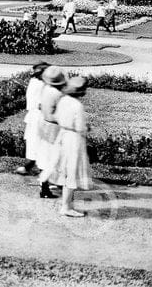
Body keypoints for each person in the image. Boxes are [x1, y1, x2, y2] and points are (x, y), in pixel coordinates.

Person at [49, 76, 93, 218]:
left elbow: (56, 117)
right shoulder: (77, 106)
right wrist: (87, 128)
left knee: (66, 171)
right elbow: (80, 127)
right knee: (72, 172)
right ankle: (66, 207)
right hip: (74, 140)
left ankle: (68, 204)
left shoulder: (63, 101)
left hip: (63, 136)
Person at [36, 65, 67, 199]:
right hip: (55, 127)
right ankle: (53, 183)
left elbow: (40, 106)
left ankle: (45, 185)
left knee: (45, 155)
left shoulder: (45, 89)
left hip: (44, 125)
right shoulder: (58, 94)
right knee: (56, 157)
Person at [16, 61, 50, 175]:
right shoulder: (40, 84)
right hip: (39, 117)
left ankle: (29, 167)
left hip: (36, 116)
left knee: (34, 144)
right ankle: (43, 175)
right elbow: (40, 104)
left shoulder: (35, 82)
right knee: (39, 144)